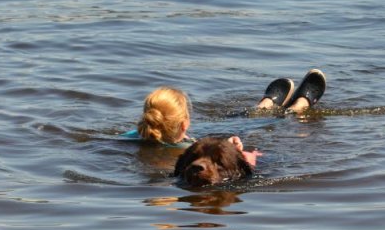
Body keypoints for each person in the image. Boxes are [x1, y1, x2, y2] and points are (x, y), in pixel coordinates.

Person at [120, 68, 326, 164]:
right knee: (244, 126)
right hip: (207, 137)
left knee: (239, 125)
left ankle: (268, 107)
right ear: (185, 125)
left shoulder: (130, 138)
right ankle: (295, 108)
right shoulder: (190, 150)